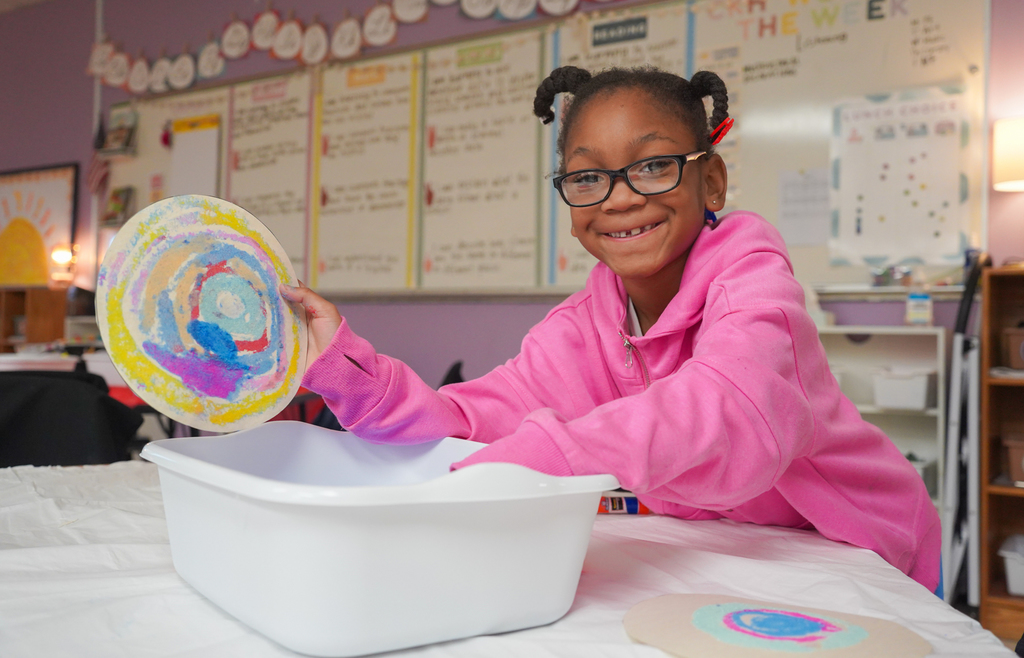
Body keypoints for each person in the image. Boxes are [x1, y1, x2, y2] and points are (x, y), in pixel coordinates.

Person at [281, 65, 940, 593]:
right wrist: (350, 372)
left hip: (859, 543)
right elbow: (473, 417)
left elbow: (731, 409)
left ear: (710, 181)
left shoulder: (754, 281)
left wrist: (553, 455)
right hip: (737, 549)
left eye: (653, 165)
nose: (620, 197)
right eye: (589, 177)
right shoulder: (581, 326)